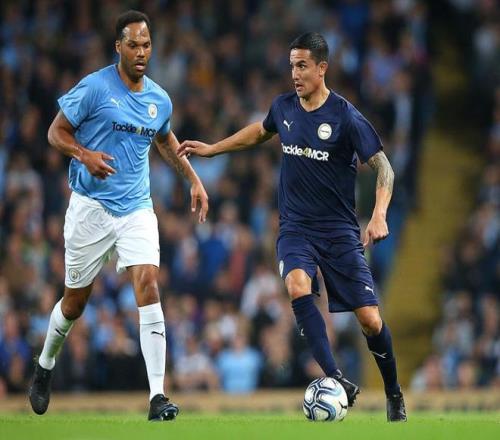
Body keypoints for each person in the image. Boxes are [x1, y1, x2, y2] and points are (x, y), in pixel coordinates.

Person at [178, 32, 407, 422]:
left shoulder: (346, 116)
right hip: (296, 228)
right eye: (291, 66)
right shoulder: (283, 106)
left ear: (322, 68)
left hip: (339, 231)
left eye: (302, 66)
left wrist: (379, 213)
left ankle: (393, 393)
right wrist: (214, 148)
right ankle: (336, 378)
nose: (295, 74)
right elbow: (260, 131)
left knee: (370, 320)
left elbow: (384, 168)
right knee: (297, 285)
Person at [28, 10, 209, 422]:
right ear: (118, 47)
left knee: (148, 282)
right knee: (74, 304)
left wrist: (194, 180)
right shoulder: (94, 87)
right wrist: (84, 155)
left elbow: (165, 140)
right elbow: (55, 132)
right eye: (133, 45)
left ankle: (157, 396)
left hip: (136, 208)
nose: (141, 52)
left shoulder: (159, 99)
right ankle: (46, 363)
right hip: (90, 208)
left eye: (147, 45)